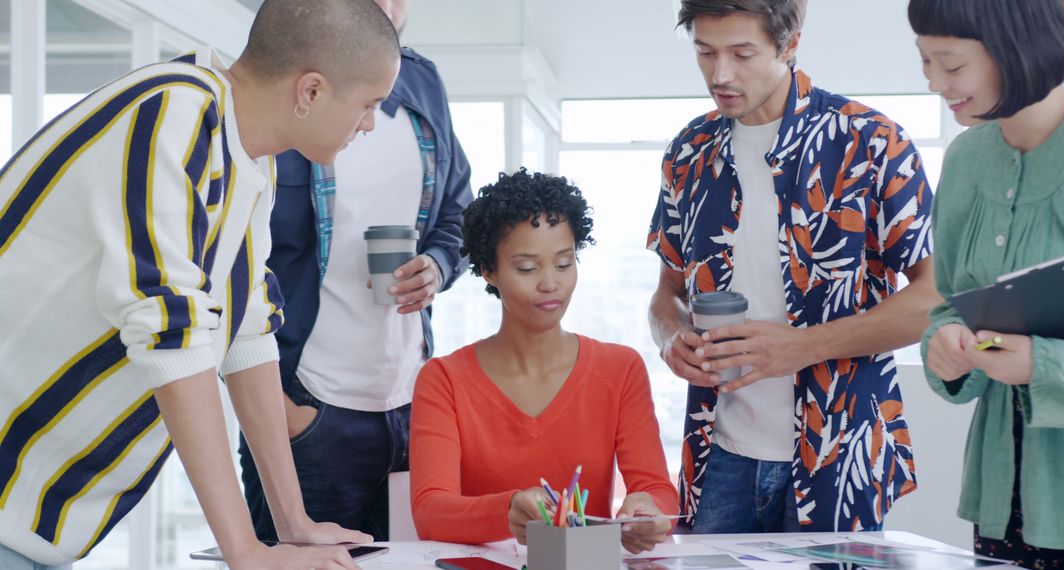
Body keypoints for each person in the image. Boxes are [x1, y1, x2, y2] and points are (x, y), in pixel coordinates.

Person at [0, 1, 400, 568]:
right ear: (311, 91)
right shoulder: (175, 111)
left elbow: (249, 332)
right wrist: (245, 551)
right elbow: (170, 330)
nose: (369, 123)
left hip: (39, 522)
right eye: (369, 104)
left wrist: (293, 525)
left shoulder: (252, 163)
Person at [648, 0, 939, 534]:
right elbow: (667, 293)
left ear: (790, 43)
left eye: (742, 53)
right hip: (719, 457)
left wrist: (802, 346)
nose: (720, 74)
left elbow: (934, 301)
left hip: (840, 449)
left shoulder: (872, 142)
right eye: (705, 52)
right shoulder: (688, 152)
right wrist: (669, 337)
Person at [238, 0, 473, 542]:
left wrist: (437, 267)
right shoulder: (279, 85)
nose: (387, 8)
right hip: (309, 406)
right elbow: (231, 270)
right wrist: (281, 409)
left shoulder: (421, 82)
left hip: (410, 401)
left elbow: (458, 214)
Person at [410, 170, 678, 553]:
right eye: (527, 268)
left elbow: (656, 491)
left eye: (564, 263)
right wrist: (507, 510)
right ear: (489, 270)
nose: (550, 283)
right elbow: (429, 511)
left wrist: (646, 512)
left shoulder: (620, 369)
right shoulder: (444, 380)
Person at [912, 0, 1064, 566]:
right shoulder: (964, 160)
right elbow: (953, 305)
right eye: (925, 62)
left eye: (951, 65)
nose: (935, 82)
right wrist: (952, 346)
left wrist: (1046, 367)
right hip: (1002, 498)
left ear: (1017, 49)